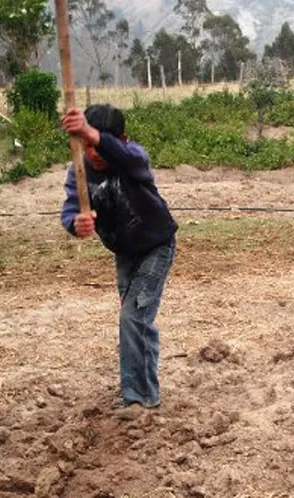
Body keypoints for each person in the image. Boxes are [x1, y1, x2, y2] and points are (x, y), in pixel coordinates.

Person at [59, 104, 178, 410]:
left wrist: (92, 134)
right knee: (138, 321)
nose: (93, 152)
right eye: (86, 146)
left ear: (122, 139)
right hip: (124, 253)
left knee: (132, 317)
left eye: (98, 144)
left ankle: (137, 398)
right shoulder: (80, 171)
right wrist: (77, 224)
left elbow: (127, 157)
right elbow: (71, 209)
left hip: (156, 244)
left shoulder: (132, 158)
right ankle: (145, 391)